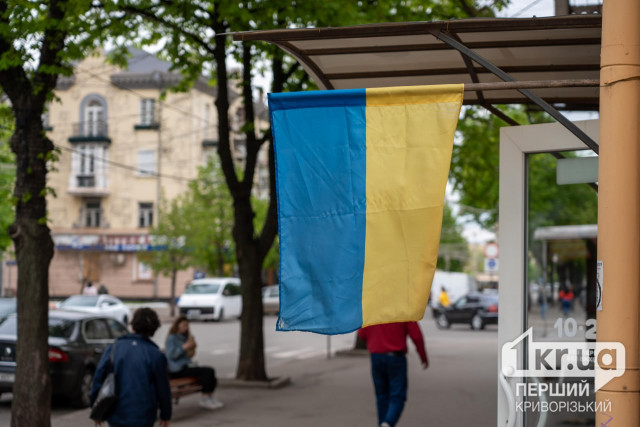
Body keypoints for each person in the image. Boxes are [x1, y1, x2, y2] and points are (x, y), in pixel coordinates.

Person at [90, 307, 171, 427]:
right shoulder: (156, 355)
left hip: (116, 412)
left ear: (133, 324)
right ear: (153, 329)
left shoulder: (113, 348)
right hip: (144, 414)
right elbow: (163, 388)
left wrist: (96, 409)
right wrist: (166, 414)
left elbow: (98, 378)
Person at [358, 322, 429, 427]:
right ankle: (388, 423)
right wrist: (423, 356)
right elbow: (416, 335)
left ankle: (383, 423)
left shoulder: (373, 308)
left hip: (376, 356)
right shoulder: (403, 308)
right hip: (396, 357)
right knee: (397, 396)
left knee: (381, 396)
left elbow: (362, 334)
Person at [165, 316, 224, 410]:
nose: (186, 328)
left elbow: (188, 355)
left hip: (186, 365)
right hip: (177, 369)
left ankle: (210, 396)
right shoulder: (172, 338)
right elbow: (171, 355)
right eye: (183, 325)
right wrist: (183, 347)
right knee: (207, 371)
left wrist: (192, 348)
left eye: (187, 325)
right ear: (177, 325)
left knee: (210, 373)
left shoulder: (184, 337)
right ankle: (204, 398)